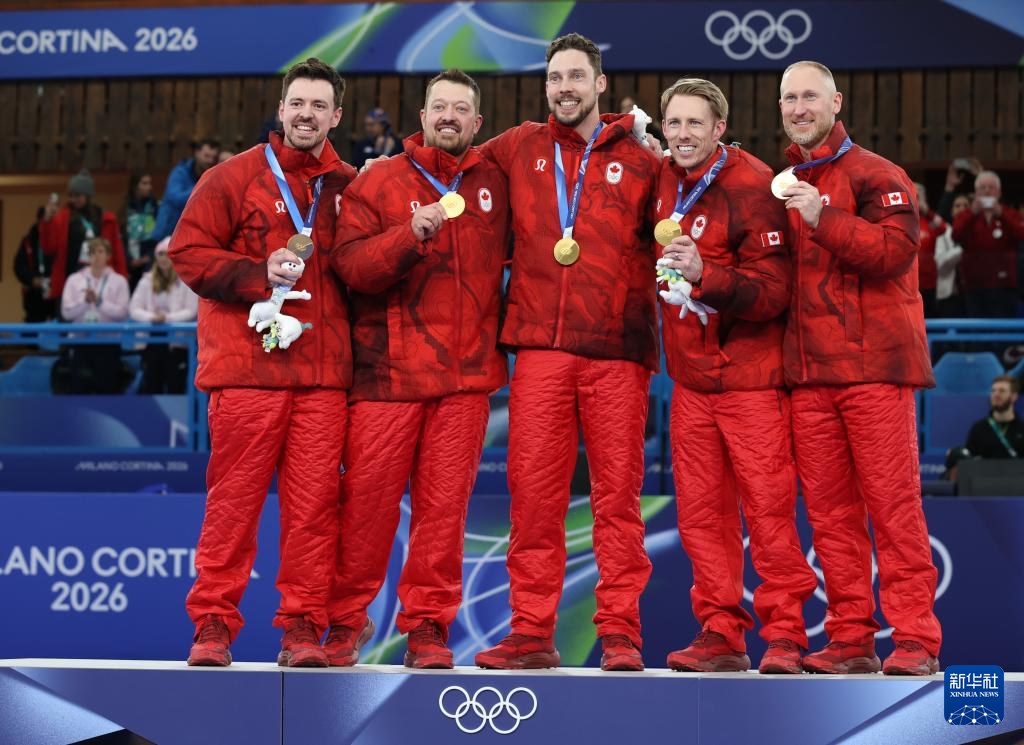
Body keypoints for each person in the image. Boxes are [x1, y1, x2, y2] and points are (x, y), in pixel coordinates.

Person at [472, 33, 661, 672]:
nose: (564, 88)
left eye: (576, 76)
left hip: (616, 348)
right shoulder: (518, 145)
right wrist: (382, 169)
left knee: (617, 501)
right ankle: (531, 633)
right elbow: (450, 167)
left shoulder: (643, 158)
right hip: (540, 349)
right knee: (533, 500)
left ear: (600, 84)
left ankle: (621, 634)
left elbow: (691, 205)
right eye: (555, 78)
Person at [170, 58, 357, 668]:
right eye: (297, 103)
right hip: (248, 372)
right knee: (233, 507)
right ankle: (213, 625)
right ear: (281, 110)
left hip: (322, 379)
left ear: (336, 115)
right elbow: (187, 252)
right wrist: (257, 273)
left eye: (319, 105)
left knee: (313, 513)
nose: (306, 114)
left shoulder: (349, 187)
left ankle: (302, 627)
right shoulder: (231, 177)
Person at [324, 69, 510, 670]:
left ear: (477, 122)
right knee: (365, 510)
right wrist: (408, 236)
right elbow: (351, 267)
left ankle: (428, 627)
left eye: (461, 108)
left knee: (444, 515)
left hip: (465, 380)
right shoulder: (378, 179)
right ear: (423, 117)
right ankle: (344, 622)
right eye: (439, 107)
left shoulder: (497, 181)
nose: (449, 117)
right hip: (389, 378)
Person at [778, 60, 941, 675]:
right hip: (810, 377)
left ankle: (916, 639)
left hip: (874, 372)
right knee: (830, 518)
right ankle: (850, 639)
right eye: (789, 98)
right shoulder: (783, 182)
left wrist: (822, 217)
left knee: (894, 508)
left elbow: (895, 253)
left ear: (836, 102)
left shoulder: (879, 174)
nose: (799, 108)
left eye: (810, 96)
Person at [653, 78, 817, 675]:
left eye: (695, 123)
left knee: (768, 514)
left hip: (751, 381)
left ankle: (787, 636)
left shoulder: (754, 185)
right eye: (674, 124)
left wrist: (708, 275)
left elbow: (774, 293)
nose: (683, 135)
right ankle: (720, 633)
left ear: (720, 128)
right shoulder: (662, 178)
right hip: (691, 382)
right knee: (701, 517)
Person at [39, 170, 128, 301]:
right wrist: (47, 222)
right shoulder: (61, 218)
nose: (74, 199)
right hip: (70, 280)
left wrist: (122, 279)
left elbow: (117, 251)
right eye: (71, 195)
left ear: (88, 195)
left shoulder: (105, 218)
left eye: (78, 195)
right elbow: (48, 248)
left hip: (102, 281)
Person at [60, 237, 130, 394]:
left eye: (100, 252)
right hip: (80, 342)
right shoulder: (74, 279)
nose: (96, 256)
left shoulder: (119, 281)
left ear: (108, 255)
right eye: (92, 252)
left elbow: (122, 313)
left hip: (109, 343)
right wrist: (85, 302)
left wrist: (99, 302)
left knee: (108, 391)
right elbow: (66, 313)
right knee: (80, 391)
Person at [129, 238, 199, 394]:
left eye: (167, 254)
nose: (163, 258)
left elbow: (191, 310)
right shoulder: (146, 281)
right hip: (151, 340)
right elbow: (134, 308)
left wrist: (166, 318)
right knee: (152, 385)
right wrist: (151, 318)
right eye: (160, 254)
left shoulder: (186, 280)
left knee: (176, 386)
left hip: (178, 343)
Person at [953, 170, 1024, 318]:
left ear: (999, 192)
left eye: (991, 187)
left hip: (1005, 286)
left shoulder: (1011, 214)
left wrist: (1002, 215)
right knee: (975, 330)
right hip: (974, 287)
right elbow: (956, 235)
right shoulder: (965, 215)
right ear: (976, 193)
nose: (987, 191)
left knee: (1003, 330)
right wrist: (972, 214)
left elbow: (1021, 235)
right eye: (982, 187)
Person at [151, 138, 219, 242]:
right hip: (166, 233)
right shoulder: (180, 172)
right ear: (197, 153)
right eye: (206, 156)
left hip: (187, 236)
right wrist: (202, 188)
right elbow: (176, 198)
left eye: (213, 157)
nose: (210, 160)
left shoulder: (210, 176)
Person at [964, 375, 1024, 459]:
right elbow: (969, 461)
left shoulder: (1022, 428)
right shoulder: (978, 428)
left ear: (1014, 396)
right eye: (993, 390)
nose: (996, 394)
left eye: (1002, 391)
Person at [118, 172, 160, 290]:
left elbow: (158, 236)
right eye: (145, 183)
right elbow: (122, 238)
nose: (149, 187)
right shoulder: (125, 209)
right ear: (135, 186)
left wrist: (149, 256)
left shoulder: (155, 207)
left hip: (150, 262)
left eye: (150, 183)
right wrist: (129, 260)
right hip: (131, 266)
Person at [14, 207, 56, 322]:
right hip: (34, 297)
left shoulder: (59, 238)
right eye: (45, 220)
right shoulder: (28, 240)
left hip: (55, 294)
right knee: (33, 328)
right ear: (39, 220)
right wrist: (32, 279)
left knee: (57, 327)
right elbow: (19, 266)